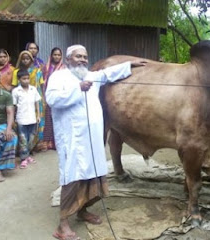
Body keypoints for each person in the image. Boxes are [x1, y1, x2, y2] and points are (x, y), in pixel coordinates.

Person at [46, 44, 145, 240]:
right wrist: (77, 89)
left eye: (85, 57)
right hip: (72, 141)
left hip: (92, 140)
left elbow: (110, 73)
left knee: (96, 178)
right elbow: (51, 99)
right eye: (78, 57)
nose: (83, 60)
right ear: (68, 60)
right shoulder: (58, 77)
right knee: (72, 178)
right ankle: (62, 225)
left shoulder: (91, 76)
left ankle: (83, 212)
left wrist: (131, 64)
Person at [12, 50, 45, 152]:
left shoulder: (38, 71)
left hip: (36, 99)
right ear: (20, 60)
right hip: (22, 99)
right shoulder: (16, 72)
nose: (25, 61)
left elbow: (42, 85)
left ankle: (33, 147)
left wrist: (43, 100)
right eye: (23, 59)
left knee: (36, 124)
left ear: (31, 60)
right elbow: (14, 85)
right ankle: (23, 150)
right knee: (22, 124)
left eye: (28, 59)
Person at [12, 69, 41, 169]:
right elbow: (14, 106)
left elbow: (37, 102)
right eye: (24, 79)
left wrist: (38, 115)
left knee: (31, 139)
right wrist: (13, 119)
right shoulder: (16, 91)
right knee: (23, 140)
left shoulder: (33, 89)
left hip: (32, 118)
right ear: (19, 79)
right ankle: (23, 159)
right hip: (21, 119)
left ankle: (27, 155)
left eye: (28, 78)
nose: (26, 81)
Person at [41, 47, 65, 150]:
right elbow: (41, 83)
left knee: (59, 120)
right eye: (55, 55)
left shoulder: (64, 69)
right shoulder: (45, 68)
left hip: (59, 97)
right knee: (48, 120)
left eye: (59, 55)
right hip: (47, 96)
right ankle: (48, 143)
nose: (57, 57)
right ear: (51, 56)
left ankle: (57, 142)